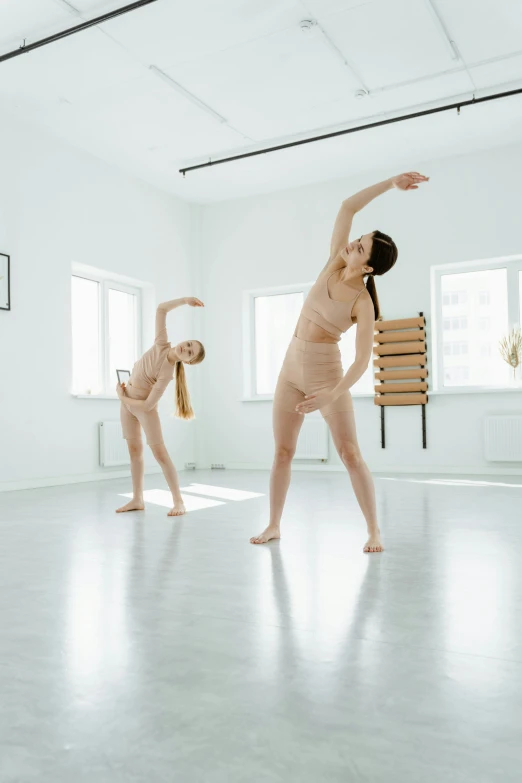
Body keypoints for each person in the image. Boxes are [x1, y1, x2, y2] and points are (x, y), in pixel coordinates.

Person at [250, 172, 429, 552]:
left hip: (325, 373)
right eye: (359, 239)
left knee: (350, 454)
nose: (352, 244)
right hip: (290, 368)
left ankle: (374, 530)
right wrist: (391, 184)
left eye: (360, 248)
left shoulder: (361, 303)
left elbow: (362, 361)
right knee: (283, 451)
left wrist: (329, 394)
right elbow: (347, 206)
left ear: (368, 268)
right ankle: (274, 524)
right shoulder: (334, 263)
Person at [116, 296, 205, 517]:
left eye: (191, 352)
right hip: (127, 403)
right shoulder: (161, 343)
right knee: (134, 451)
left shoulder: (167, 373)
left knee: (160, 453)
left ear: (189, 362)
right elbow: (161, 309)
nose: (187, 348)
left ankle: (179, 501)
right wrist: (186, 300)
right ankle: (137, 499)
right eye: (190, 344)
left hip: (139, 407)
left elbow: (147, 405)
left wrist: (123, 398)